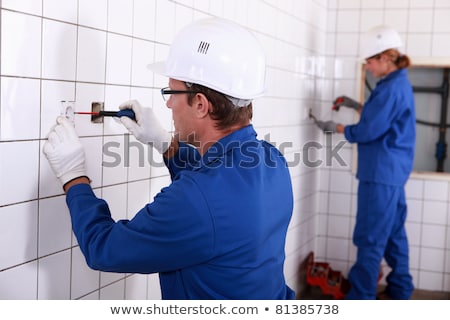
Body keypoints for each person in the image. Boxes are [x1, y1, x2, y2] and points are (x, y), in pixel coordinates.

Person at [43, 18, 295, 300]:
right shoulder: (272, 161)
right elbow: (216, 188)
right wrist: (166, 144)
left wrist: (73, 176)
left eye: (171, 92)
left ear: (200, 104)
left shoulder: (196, 200)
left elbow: (104, 249)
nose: (168, 103)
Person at [314, 25, 416, 299]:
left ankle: (360, 300)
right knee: (394, 235)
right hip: (392, 174)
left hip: (380, 174)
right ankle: (401, 291)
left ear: (385, 57)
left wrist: (335, 128)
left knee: (370, 237)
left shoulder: (391, 89)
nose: (368, 67)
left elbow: (369, 130)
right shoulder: (396, 85)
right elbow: (383, 118)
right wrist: (355, 105)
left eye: (370, 61)